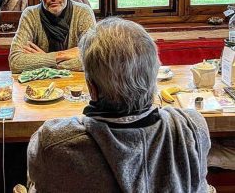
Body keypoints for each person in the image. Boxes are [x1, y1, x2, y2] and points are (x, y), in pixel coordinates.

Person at [27, 17, 211, 192]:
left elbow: (39, 181)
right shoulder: (192, 127)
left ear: (92, 89)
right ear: (154, 77)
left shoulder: (52, 141)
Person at [9, 0, 95, 74]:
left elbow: (92, 60)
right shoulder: (30, 15)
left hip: (76, 85)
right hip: (39, 85)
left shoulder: (83, 12)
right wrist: (60, 55)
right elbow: (15, 62)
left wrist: (42, 59)